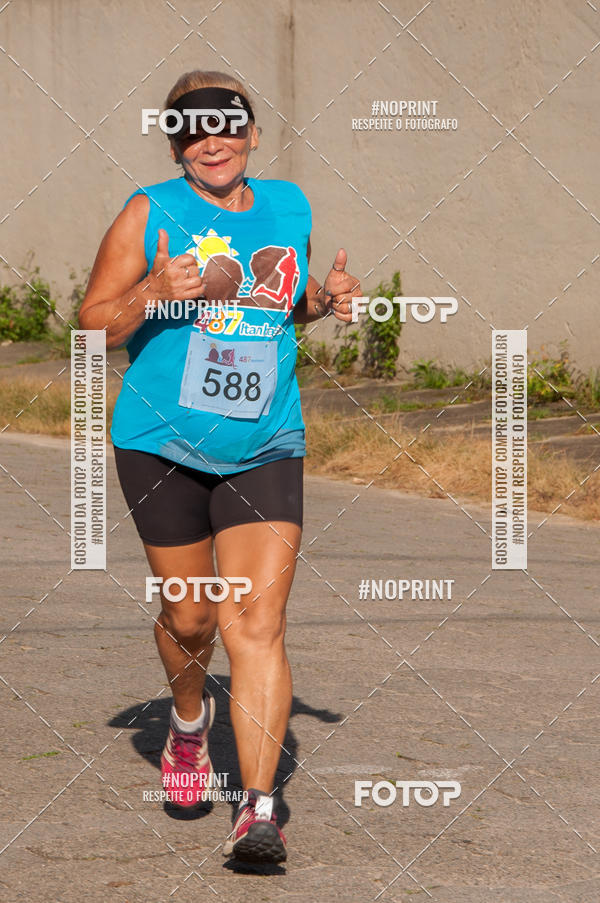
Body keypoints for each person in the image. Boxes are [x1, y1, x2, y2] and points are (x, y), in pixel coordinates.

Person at [79, 69, 361, 864]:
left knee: (258, 624)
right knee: (195, 619)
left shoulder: (289, 204)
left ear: (253, 134)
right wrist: (145, 296)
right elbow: (92, 323)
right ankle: (188, 723)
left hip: (267, 443)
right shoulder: (149, 211)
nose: (214, 140)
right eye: (194, 128)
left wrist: (324, 298)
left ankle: (258, 810)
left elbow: (285, 295)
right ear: (176, 143)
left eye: (228, 124)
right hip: (160, 445)